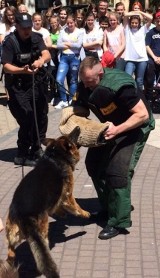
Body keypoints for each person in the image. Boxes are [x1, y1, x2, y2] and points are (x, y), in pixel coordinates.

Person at [69, 56, 154, 240]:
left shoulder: (119, 86)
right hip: (110, 126)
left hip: (134, 127)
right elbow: (80, 107)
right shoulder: (85, 84)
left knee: (117, 171)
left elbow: (143, 115)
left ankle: (118, 221)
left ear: (100, 74)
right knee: (94, 164)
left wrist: (117, 130)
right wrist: (71, 119)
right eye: (84, 82)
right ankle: (108, 208)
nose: (87, 86)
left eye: (91, 82)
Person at [1, 12, 51, 166]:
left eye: (29, 27)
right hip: (18, 87)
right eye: (23, 28)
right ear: (16, 26)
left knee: (41, 116)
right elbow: (6, 66)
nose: (27, 30)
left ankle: (36, 149)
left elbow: (47, 53)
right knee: (28, 118)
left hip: (35, 84)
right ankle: (22, 154)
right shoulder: (10, 41)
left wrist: (41, 61)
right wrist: (22, 70)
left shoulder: (36, 37)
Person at [55, 13, 83, 109]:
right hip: (64, 58)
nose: (69, 25)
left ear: (75, 22)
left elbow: (79, 45)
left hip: (74, 58)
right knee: (59, 80)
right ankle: (64, 100)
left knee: (73, 80)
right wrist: (71, 44)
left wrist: (66, 43)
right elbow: (58, 45)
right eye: (68, 23)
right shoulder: (63, 31)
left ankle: (72, 99)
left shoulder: (80, 32)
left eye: (71, 23)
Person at [123, 10, 153, 90]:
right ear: (130, 23)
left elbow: (150, 18)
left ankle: (140, 98)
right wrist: (135, 12)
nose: (134, 24)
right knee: (127, 79)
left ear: (139, 23)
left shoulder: (143, 29)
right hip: (130, 59)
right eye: (132, 22)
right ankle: (129, 96)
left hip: (142, 59)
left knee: (139, 81)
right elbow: (125, 14)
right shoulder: (127, 30)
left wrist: (139, 11)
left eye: (136, 23)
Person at [145, 11, 160, 104]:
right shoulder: (150, 32)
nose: (159, 22)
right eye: (158, 20)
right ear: (155, 21)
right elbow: (147, 46)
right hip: (152, 59)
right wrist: (155, 58)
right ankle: (149, 99)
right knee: (149, 80)